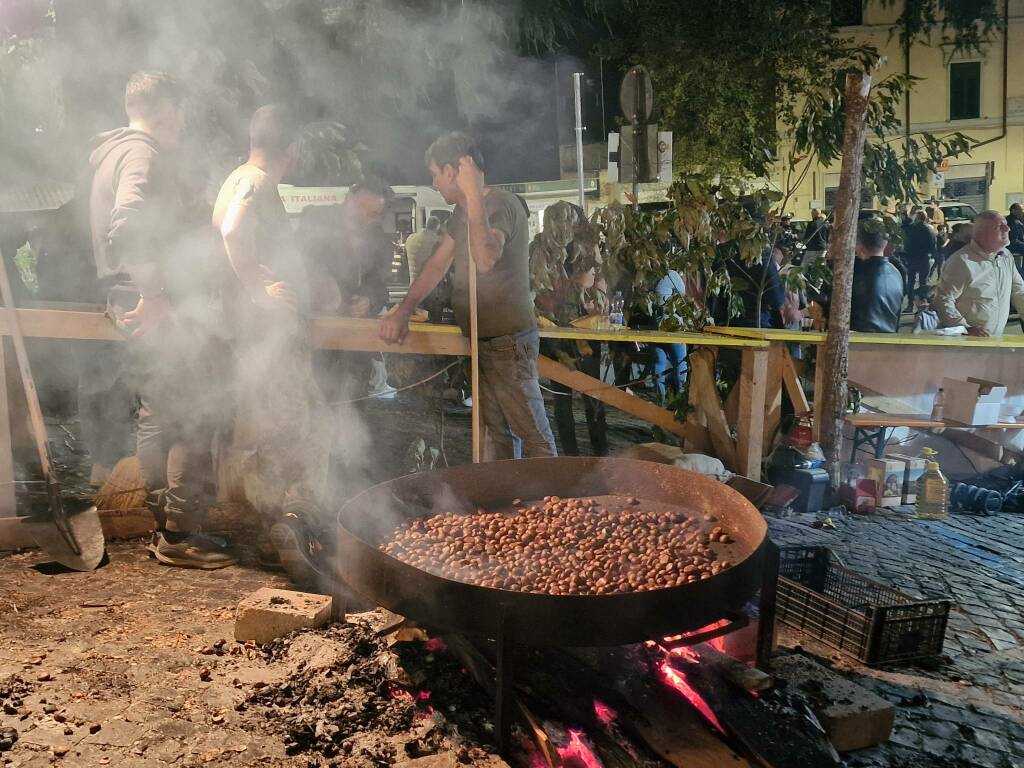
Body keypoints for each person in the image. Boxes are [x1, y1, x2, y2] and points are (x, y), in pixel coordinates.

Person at [89, 71, 235, 568]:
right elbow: (127, 225)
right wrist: (154, 294)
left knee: (158, 413)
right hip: (147, 297)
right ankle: (179, 535)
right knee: (195, 412)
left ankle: (161, 525)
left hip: (125, 295)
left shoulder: (110, 151)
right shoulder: (141, 153)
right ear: (169, 109)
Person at [380, 132, 556, 459]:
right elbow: (435, 266)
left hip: (507, 341)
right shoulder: (461, 214)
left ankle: (557, 507)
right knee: (498, 436)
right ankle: (511, 505)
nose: (434, 183)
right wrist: (404, 310)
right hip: (484, 340)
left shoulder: (500, 203)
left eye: (435, 173)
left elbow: (486, 258)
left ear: (454, 170)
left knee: (533, 435)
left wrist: (473, 195)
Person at [213, 104, 332, 583]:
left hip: (257, 333)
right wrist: (258, 289)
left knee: (271, 427)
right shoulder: (255, 181)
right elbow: (232, 229)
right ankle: (292, 524)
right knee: (306, 425)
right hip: (271, 334)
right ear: (294, 148)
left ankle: (275, 531)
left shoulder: (237, 175)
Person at [303, 180, 397, 401]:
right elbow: (297, 256)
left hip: (355, 336)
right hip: (315, 329)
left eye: (372, 214)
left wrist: (370, 300)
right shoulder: (316, 218)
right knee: (315, 399)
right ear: (347, 200)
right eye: (358, 208)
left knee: (353, 399)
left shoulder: (382, 242)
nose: (363, 218)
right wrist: (318, 277)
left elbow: (381, 288)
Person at [532, 203, 607, 456]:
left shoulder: (586, 246)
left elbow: (599, 279)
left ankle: (600, 453)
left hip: (585, 330)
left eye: (568, 221)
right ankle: (571, 456)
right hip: (555, 332)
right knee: (562, 396)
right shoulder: (540, 249)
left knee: (593, 396)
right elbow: (538, 293)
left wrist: (596, 297)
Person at [934, 210, 1024, 337]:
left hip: (994, 341)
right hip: (967, 344)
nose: (1007, 228)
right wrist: (964, 328)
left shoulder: (1005, 256)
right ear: (981, 233)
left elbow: (1019, 291)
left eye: (1006, 224)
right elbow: (942, 299)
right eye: (1000, 227)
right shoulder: (962, 262)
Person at [850, 220, 904, 333]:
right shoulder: (897, 273)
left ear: (858, 244)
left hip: (859, 343)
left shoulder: (854, 273)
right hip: (888, 342)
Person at [902, 210, 937, 305]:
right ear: (925, 218)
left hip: (911, 257)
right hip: (924, 257)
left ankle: (910, 303)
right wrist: (932, 255)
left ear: (916, 218)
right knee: (923, 282)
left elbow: (906, 242)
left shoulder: (910, 229)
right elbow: (933, 244)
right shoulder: (929, 229)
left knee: (911, 281)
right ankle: (922, 302)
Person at [406, 216, 442, 284]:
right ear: (437, 227)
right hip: (426, 283)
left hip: (413, 282)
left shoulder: (410, 238)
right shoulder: (435, 241)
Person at [1007, 203, 1024, 271]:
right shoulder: (1012, 221)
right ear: (1013, 211)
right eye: (1020, 210)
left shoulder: (1017, 220)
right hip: (1011, 245)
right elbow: (1014, 239)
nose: (1022, 211)